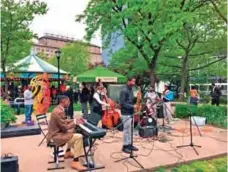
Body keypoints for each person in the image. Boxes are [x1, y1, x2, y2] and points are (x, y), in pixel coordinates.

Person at [47, 95, 86, 171]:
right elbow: (64, 128)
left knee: (72, 132)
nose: (69, 102)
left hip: (54, 134)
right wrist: (74, 122)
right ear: (63, 101)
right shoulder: (59, 112)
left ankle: (68, 152)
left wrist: (73, 120)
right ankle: (75, 162)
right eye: (68, 101)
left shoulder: (58, 109)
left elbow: (63, 121)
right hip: (55, 136)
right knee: (79, 136)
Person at [119, 77, 138, 154]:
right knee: (126, 130)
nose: (134, 83)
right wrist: (132, 106)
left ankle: (130, 144)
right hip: (126, 113)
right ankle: (125, 146)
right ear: (128, 81)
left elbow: (130, 101)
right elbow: (122, 103)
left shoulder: (131, 90)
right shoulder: (124, 91)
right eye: (132, 82)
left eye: (134, 82)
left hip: (130, 112)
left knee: (131, 130)